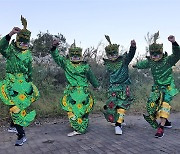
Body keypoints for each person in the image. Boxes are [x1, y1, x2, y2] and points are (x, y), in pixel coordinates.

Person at [0, 16, 39, 146]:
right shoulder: (10, 51)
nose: (24, 45)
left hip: (23, 85)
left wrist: (30, 85)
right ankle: (13, 126)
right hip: (11, 83)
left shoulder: (28, 54)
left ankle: (21, 135)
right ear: (17, 41)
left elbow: (29, 70)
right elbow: (1, 47)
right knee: (14, 106)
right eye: (22, 42)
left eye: (26, 43)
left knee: (16, 107)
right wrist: (10, 34)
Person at [133, 32, 180, 138]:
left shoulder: (168, 60)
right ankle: (166, 121)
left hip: (168, 87)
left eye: (157, 54)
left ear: (161, 53)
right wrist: (136, 65)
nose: (154, 57)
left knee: (164, 105)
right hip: (157, 88)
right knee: (152, 105)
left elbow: (177, 54)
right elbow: (143, 64)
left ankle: (161, 128)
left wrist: (174, 43)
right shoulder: (151, 62)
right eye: (152, 54)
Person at [50, 38, 99, 136]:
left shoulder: (85, 66)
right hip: (73, 91)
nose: (75, 57)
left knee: (78, 110)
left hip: (81, 92)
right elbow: (57, 58)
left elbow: (91, 77)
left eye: (77, 56)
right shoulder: (67, 63)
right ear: (70, 56)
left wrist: (96, 85)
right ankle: (79, 126)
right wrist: (54, 48)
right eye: (73, 56)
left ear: (80, 56)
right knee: (73, 109)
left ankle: (79, 128)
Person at [103, 35, 136, 135]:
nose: (112, 56)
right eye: (110, 55)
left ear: (117, 53)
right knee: (113, 106)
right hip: (113, 88)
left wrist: (133, 47)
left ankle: (118, 125)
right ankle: (118, 121)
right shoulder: (108, 64)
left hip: (123, 87)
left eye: (114, 54)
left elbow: (130, 55)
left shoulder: (124, 61)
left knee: (122, 105)